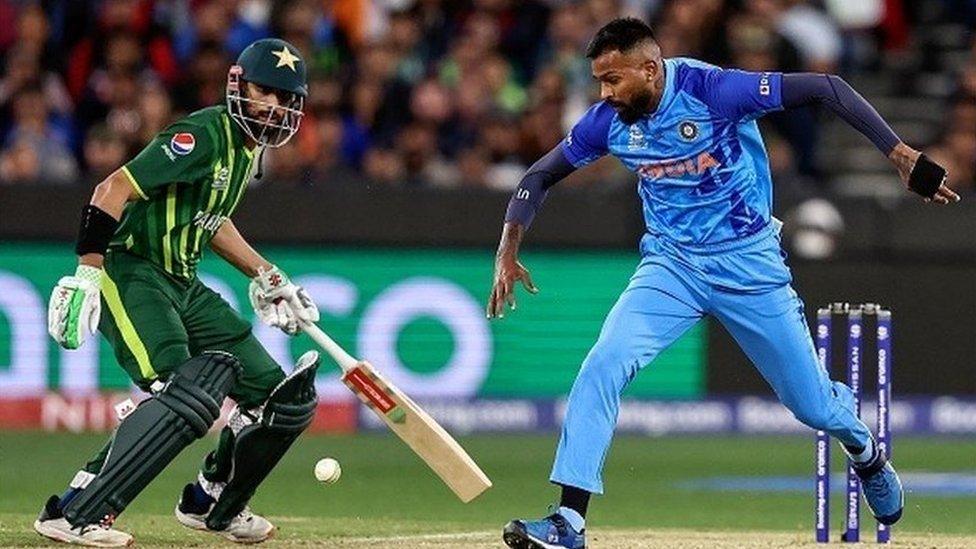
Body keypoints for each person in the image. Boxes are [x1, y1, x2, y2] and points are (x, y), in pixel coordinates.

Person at [487, 18, 959, 549]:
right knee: (602, 364)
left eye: (613, 80)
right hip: (672, 266)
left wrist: (898, 153)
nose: (605, 93)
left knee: (813, 408)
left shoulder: (714, 90)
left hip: (750, 267)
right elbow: (537, 176)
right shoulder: (608, 122)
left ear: (650, 68)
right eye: (599, 81)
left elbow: (827, 88)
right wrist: (508, 248)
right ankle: (568, 521)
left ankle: (866, 451)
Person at [39, 38, 320, 547]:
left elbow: (211, 222)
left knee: (279, 398)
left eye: (285, 98)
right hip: (133, 271)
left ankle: (212, 501)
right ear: (238, 85)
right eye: (266, 92)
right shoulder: (203, 134)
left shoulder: (246, 148)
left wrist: (267, 274)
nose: (274, 106)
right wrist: (87, 272)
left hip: (183, 281)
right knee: (183, 394)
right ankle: (72, 511)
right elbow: (111, 191)